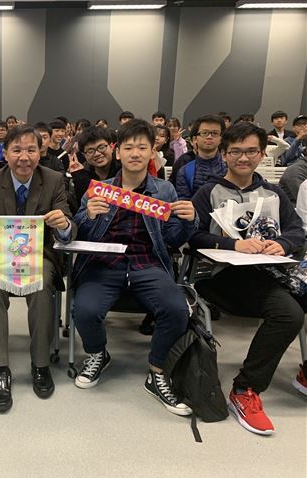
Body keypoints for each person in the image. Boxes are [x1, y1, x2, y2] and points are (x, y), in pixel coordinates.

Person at [71, 119, 197, 417]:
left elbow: (172, 239)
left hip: (147, 263)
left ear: (153, 151)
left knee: (176, 310)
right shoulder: (99, 190)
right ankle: (98, 353)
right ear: (118, 152)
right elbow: (77, 233)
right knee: (84, 310)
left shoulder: (164, 190)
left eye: (142, 147)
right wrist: (87, 216)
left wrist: (189, 222)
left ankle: (157, 371)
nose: (135, 153)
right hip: (103, 264)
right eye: (129, 147)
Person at [189, 122, 306, 435]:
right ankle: (245, 389)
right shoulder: (208, 192)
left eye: (251, 151)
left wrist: (283, 243)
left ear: (262, 153)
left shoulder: (273, 192)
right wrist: (233, 244)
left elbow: (296, 231)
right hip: (222, 276)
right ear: (224, 154)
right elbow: (193, 236)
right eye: (236, 151)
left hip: (272, 270)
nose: (244, 158)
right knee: (288, 314)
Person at [0, 125, 77, 413]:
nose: (24, 157)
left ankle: (40, 364)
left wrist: (64, 226)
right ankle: (0, 369)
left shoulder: (54, 180)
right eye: (16, 150)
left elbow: (69, 227)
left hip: (38, 256)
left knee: (41, 284)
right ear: (4, 153)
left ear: (40, 152)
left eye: (31, 149)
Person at [174, 114, 226, 200]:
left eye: (215, 133)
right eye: (204, 133)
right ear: (195, 139)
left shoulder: (230, 168)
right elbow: (184, 202)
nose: (209, 137)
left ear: (221, 138)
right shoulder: (185, 172)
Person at [68, 126, 120, 205]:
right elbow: (82, 207)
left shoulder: (124, 170)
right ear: (84, 155)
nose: (97, 154)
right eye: (90, 151)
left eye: (101, 147)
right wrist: (80, 177)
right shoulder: (83, 174)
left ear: (111, 146)